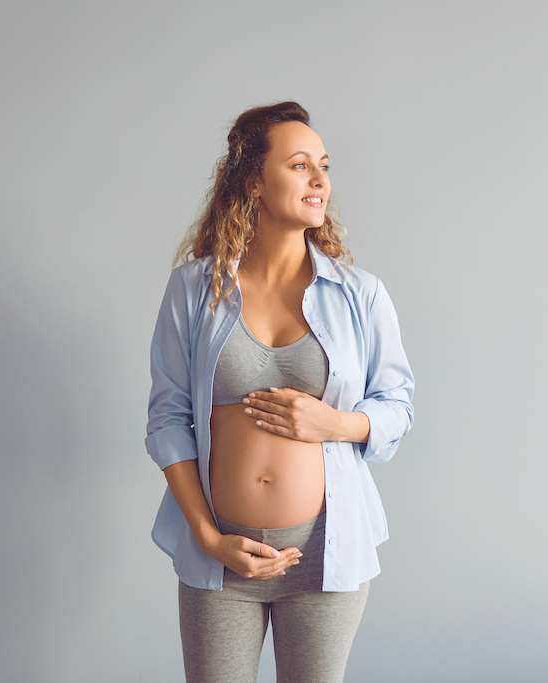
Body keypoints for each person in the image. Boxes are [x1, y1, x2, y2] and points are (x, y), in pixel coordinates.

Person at [144, 100, 416, 682]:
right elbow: (167, 419)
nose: (320, 180)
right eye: (299, 165)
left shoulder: (360, 294)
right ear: (253, 182)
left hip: (324, 557)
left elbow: (397, 407)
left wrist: (333, 424)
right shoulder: (194, 289)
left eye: (324, 165)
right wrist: (208, 537)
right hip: (221, 558)